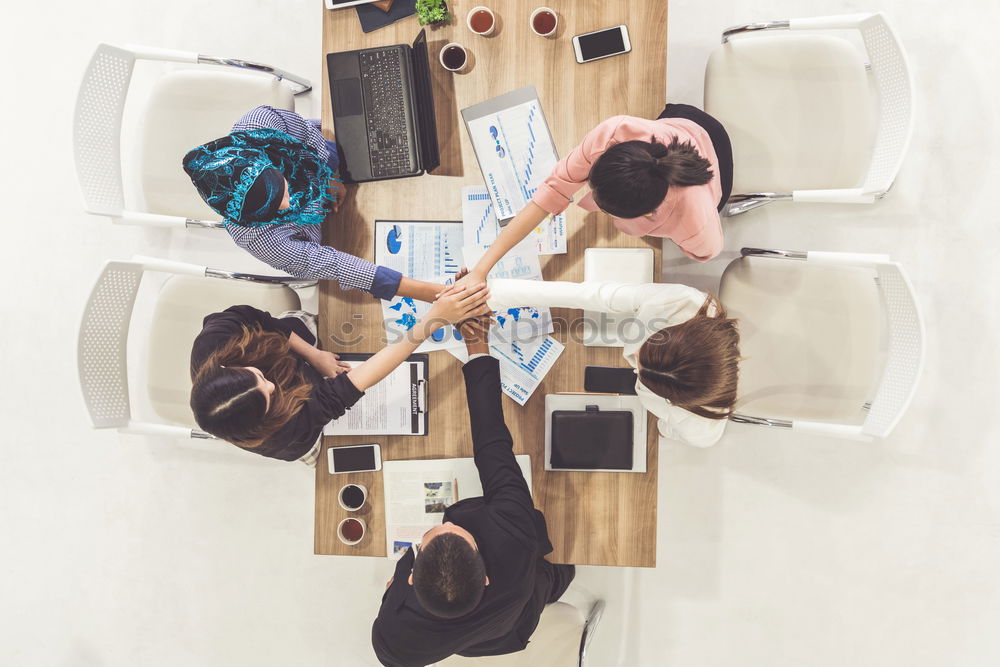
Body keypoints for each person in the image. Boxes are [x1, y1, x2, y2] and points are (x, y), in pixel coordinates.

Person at [371, 317, 576, 666]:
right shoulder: (512, 528)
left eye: (432, 537)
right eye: (456, 531)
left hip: (478, 637)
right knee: (560, 574)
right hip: (517, 616)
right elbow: (491, 443)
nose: (448, 523)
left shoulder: (394, 643)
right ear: (483, 576)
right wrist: (477, 344)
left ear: (409, 579)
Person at [189, 282, 491, 463]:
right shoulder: (286, 432)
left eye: (260, 378)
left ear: (227, 366)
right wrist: (433, 320)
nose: (270, 387)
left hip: (286, 343)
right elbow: (352, 385)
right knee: (317, 445)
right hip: (299, 433)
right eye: (268, 397)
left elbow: (261, 320)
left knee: (319, 326)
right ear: (260, 422)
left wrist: (313, 353)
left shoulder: (213, 343)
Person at [450, 105, 733, 294]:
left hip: (712, 150)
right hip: (680, 124)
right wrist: (481, 269)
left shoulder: (695, 221)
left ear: (650, 213)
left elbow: (705, 252)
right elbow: (547, 196)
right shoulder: (612, 133)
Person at [182, 106, 440, 302]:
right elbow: (332, 263)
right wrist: (432, 293)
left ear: (264, 160)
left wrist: (332, 174)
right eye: (273, 210)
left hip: (327, 162)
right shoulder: (256, 238)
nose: (288, 206)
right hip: (333, 233)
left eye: (280, 190)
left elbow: (308, 135)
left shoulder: (262, 123)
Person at [487, 278, 740, 448]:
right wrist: (490, 293)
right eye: (649, 344)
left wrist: (666, 426)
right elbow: (590, 294)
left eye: (642, 371)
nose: (633, 356)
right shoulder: (681, 301)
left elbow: (672, 430)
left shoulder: (701, 429)